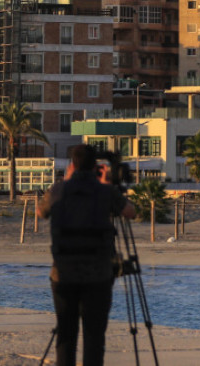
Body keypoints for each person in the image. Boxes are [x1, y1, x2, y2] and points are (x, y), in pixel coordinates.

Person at [37, 144, 135, 366]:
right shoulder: (105, 191)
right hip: (98, 275)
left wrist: (66, 181)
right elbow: (130, 212)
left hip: (63, 274)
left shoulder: (58, 190)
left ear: (72, 165)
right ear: (95, 167)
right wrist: (108, 186)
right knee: (94, 336)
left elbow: (41, 212)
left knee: (66, 335)